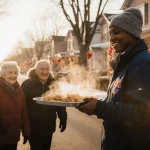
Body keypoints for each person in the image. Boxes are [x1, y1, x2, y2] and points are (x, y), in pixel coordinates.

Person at [77, 8, 150, 150]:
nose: (111, 38)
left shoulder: (142, 64)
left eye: (116, 32)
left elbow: (143, 112)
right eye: (110, 33)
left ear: (132, 33)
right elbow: (121, 101)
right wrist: (98, 102)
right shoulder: (126, 63)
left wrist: (99, 107)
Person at [21, 59, 67, 150]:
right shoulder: (26, 84)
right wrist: (23, 127)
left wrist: (63, 118)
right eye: (42, 69)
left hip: (48, 126)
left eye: (47, 69)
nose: (45, 72)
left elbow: (60, 102)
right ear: (35, 70)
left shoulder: (54, 83)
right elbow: (21, 107)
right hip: (32, 126)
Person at [0, 61, 30, 150]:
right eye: (10, 72)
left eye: (15, 73)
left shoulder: (19, 90)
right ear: (2, 75)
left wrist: (26, 132)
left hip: (14, 136)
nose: (13, 75)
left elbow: (23, 112)